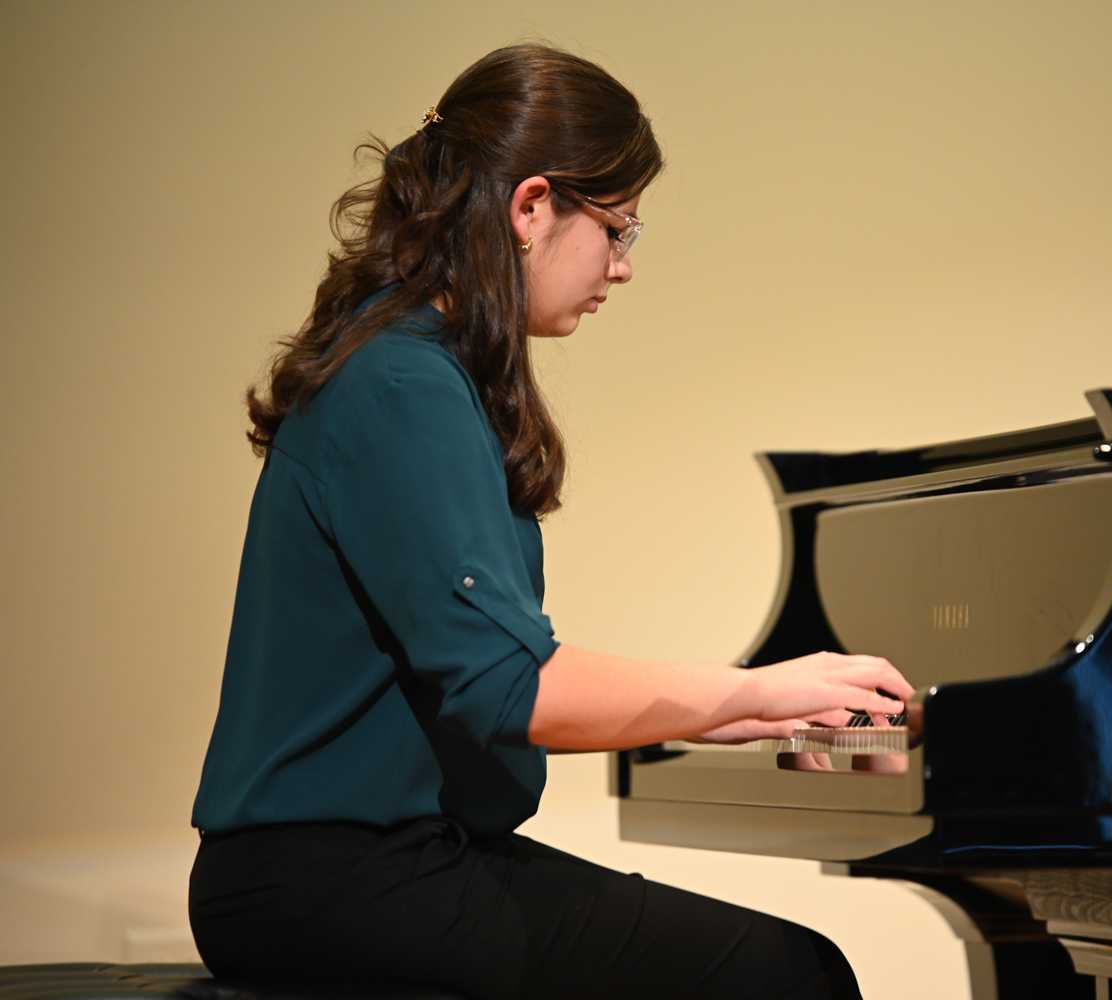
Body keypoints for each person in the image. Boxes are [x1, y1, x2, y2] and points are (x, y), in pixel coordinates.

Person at [187, 44, 912, 1000]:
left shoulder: (409, 363)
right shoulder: (404, 383)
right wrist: (755, 693)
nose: (623, 266)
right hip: (335, 877)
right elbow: (513, 690)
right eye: (617, 228)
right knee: (790, 976)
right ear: (531, 208)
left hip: (357, 869)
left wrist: (752, 710)